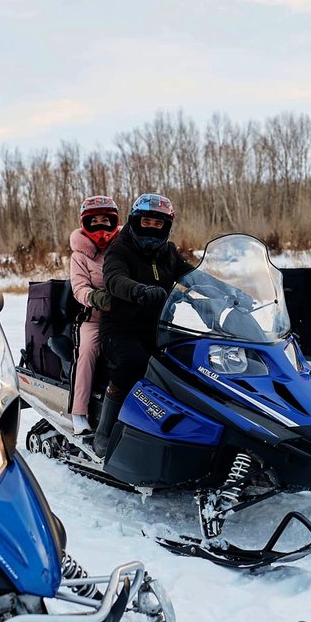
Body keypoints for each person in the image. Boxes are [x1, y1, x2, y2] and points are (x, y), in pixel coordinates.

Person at [94, 193, 193, 456]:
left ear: (166, 226)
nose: (151, 227)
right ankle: (104, 431)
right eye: (146, 222)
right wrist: (138, 290)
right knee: (133, 363)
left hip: (158, 327)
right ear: (135, 221)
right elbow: (114, 278)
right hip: (120, 328)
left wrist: (228, 292)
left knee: (192, 362)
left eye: (157, 223)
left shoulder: (169, 253)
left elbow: (193, 277)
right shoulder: (120, 248)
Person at [68, 195, 119, 434]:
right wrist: (96, 298)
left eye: (105, 220)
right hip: (94, 319)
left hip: (125, 317)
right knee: (88, 351)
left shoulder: (123, 248)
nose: (100, 226)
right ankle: (79, 413)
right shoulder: (80, 255)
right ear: (85, 224)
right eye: (94, 221)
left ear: (113, 221)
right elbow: (79, 288)